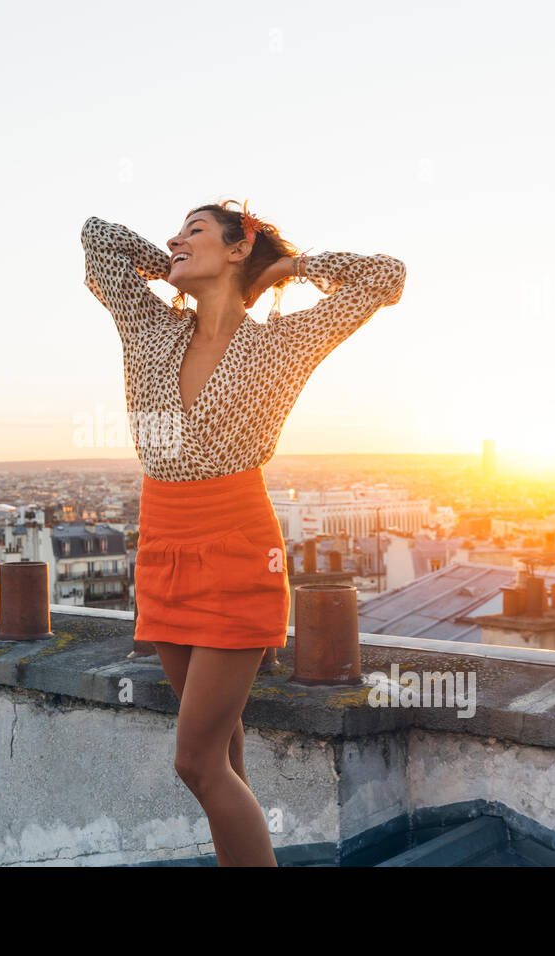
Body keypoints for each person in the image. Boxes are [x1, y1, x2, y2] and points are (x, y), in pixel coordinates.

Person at [81, 199, 406, 866]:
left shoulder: (279, 344)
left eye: (192, 231)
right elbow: (99, 236)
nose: (174, 238)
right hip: (163, 549)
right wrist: (177, 261)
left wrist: (283, 266)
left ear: (235, 249)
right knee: (224, 754)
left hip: (236, 548)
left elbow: (385, 277)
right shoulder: (149, 325)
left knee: (195, 762)